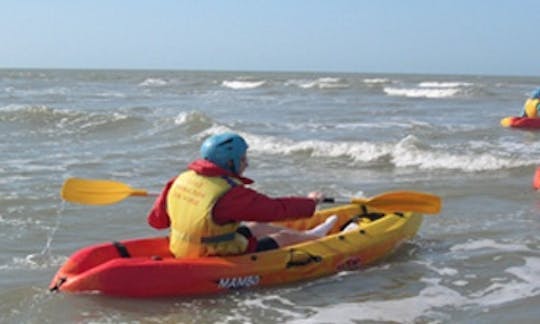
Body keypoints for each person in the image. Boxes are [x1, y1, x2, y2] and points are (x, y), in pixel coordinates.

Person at [147, 132, 337, 258]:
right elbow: (275, 209)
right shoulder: (228, 193)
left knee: (255, 226)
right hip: (212, 253)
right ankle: (318, 238)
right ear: (230, 162)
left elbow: (157, 221)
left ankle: (308, 234)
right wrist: (311, 202)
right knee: (284, 237)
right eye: (243, 158)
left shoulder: (180, 179)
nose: (246, 164)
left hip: (179, 247)